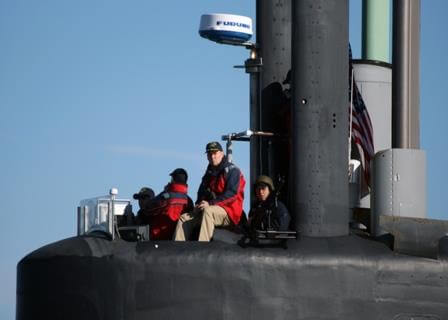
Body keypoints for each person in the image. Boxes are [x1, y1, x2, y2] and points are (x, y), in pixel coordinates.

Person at [174, 141, 245, 241]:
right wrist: (198, 205)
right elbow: (201, 192)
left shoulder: (232, 171)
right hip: (212, 208)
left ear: (221, 153)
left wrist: (210, 203)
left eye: (215, 153)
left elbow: (232, 194)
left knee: (208, 211)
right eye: (210, 154)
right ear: (207, 156)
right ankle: (178, 250)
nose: (212, 156)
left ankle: (202, 247)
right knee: (184, 218)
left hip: (230, 212)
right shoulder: (209, 174)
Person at [140, 168, 193, 240]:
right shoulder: (189, 201)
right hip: (179, 238)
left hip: (159, 237)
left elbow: (148, 209)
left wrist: (165, 190)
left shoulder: (166, 196)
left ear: (173, 179)